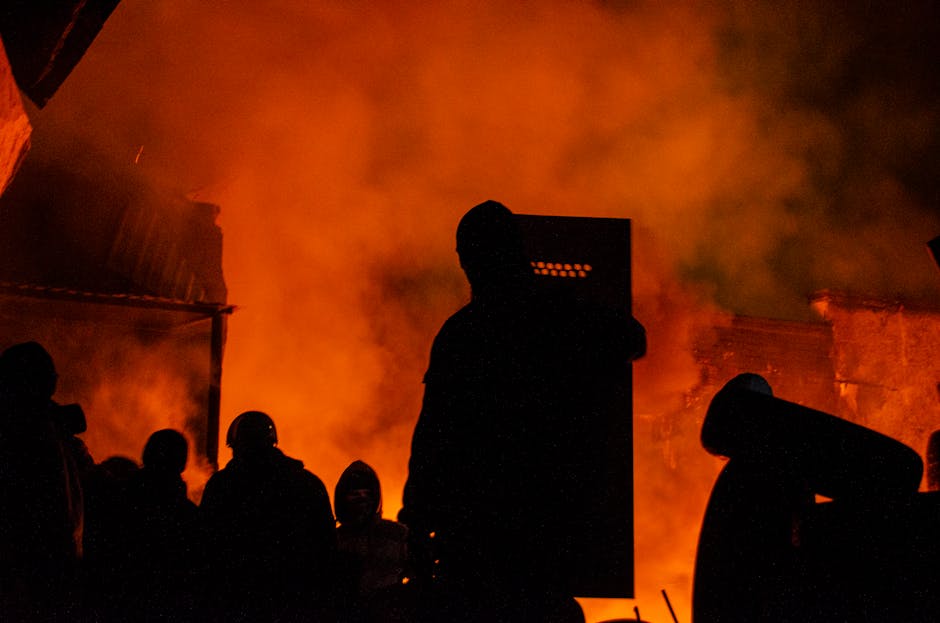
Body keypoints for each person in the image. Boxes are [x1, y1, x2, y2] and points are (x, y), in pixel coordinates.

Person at [399, 201, 646, 623]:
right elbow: (633, 340)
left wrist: (416, 522)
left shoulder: (463, 334)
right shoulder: (563, 313)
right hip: (550, 524)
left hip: (477, 535)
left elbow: (434, 438)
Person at [200, 410, 338, 623]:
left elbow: (206, 549)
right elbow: (326, 548)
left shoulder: (222, 487)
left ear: (235, 445)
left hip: (235, 604)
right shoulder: (307, 484)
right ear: (272, 441)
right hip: (295, 603)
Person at [0, 341, 85, 621]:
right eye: (47, 377)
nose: (53, 384)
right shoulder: (24, 431)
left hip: (49, 565)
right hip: (30, 570)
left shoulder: (48, 426)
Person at [334, 460, 409, 623]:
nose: (362, 498)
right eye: (355, 493)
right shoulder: (332, 541)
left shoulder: (397, 534)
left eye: (367, 493)